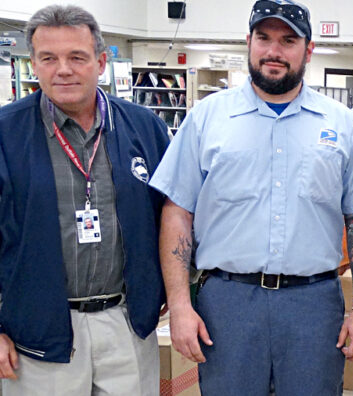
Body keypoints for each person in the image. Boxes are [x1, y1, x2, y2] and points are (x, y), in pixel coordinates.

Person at [149, 0, 353, 394]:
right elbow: (177, 212)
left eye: (288, 40)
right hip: (227, 303)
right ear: (249, 42)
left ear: (309, 50)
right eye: (264, 38)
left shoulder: (342, 126)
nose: (274, 51)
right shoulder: (207, 119)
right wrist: (181, 306)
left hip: (313, 304)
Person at [0, 5, 169, 395]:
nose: (64, 69)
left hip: (127, 325)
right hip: (38, 335)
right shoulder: (7, 135)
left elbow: (173, 216)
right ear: (34, 64)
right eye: (48, 58)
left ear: (101, 61)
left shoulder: (144, 127)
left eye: (77, 57)